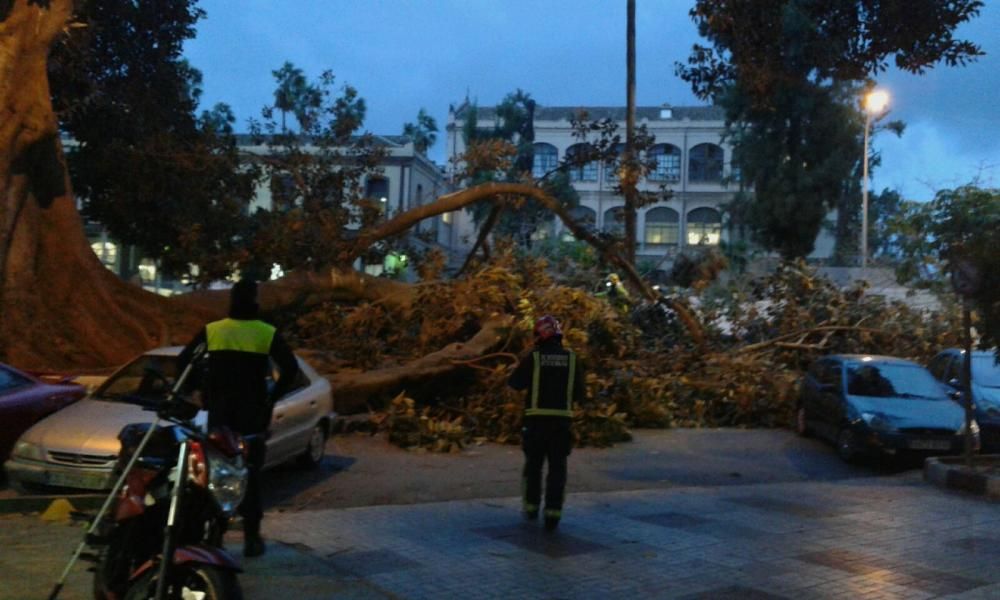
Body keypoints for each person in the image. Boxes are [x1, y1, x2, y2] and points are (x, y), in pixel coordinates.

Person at [178, 278, 299, 557]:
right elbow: (290, 368)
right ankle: (252, 538)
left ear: (231, 300)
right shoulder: (266, 333)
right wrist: (272, 396)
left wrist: (199, 387)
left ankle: (215, 536)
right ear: (255, 301)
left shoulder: (214, 331)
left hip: (220, 415)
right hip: (253, 416)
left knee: (215, 473)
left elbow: (184, 360)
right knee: (250, 476)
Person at [508, 315, 585, 531]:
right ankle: (553, 514)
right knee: (557, 469)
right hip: (562, 425)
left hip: (535, 423)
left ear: (539, 335)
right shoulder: (572, 359)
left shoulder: (534, 357)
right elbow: (580, 394)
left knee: (533, 467)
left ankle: (531, 508)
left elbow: (515, 383)